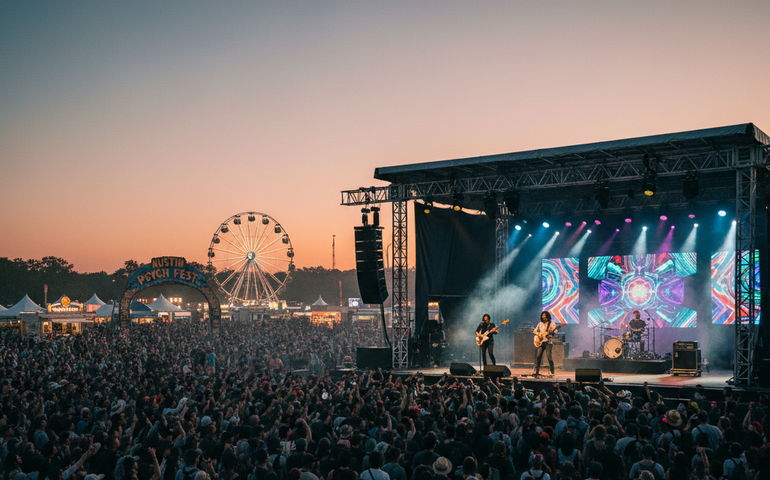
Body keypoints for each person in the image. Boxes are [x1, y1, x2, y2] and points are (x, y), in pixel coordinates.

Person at [533, 311, 558, 376]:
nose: (543, 317)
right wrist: (539, 334)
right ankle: (537, 371)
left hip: (548, 342)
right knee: (538, 356)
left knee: (549, 357)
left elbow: (554, 332)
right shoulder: (540, 323)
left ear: (547, 316)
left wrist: (552, 332)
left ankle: (552, 371)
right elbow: (534, 331)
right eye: (542, 316)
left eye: (544, 316)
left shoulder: (552, 323)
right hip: (541, 342)